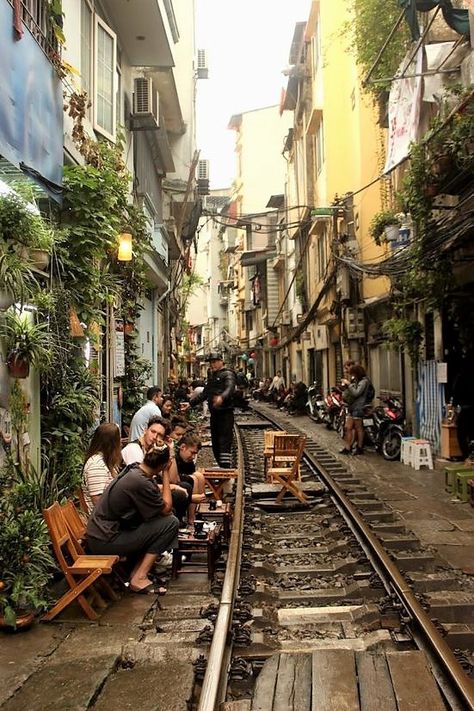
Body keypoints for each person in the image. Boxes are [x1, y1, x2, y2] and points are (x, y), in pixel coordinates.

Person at [85, 443, 179, 594]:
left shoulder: (135, 470)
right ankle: (139, 577)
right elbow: (166, 508)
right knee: (170, 523)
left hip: (100, 534)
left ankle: (137, 573)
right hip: (105, 540)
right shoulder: (140, 481)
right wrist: (166, 473)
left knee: (155, 522)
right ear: (161, 465)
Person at [122, 416, 192, 526]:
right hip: (136, 496)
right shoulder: (134, 449)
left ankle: (179, 526)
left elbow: (173, 479)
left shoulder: (152, 450)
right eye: (153, 431)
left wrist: (171, 450)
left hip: (148, 488)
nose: (155, 437)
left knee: (185, 486)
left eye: (160, 435)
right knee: (177, 495)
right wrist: (173, 487)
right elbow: (139, 483)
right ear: (145, 430)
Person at [182, 351, 236, 468]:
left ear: (221, 361)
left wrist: (222, 397)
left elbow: (230, 388)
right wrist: (190, 404)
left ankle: (225, 469)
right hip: (215, 415)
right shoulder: (212, 377)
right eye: (211, 362)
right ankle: (221, 466)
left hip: (225, 414)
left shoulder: (228, 374)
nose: (213, 364)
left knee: (224, 442)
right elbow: (205, 394)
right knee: (216, 442)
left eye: (215, 362)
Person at [82, 423, 122, 514]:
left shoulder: (105, 462)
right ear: (113, 444)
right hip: (104, 522)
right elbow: (97, 501)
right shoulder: (96, 466)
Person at [339, 364, 373, 455]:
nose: (351, 376)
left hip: (359, 407)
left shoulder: (364, 381)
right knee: (348, 427)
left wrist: (349, 384)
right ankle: (348, 447)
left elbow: (356, 393)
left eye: (353, 374)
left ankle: (359, 447)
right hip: (352, 406)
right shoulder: (357, 380)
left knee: (359, 428)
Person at [175, 432, 207, 526]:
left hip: (183, 477)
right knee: (194, 479)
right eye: (192, 453)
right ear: (183, 447)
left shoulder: (188, 461)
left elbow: (191, 471)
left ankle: (198, 511)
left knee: (199, 476)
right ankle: (191, 519)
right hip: (175, 481)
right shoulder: (175, 457)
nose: (193, 457)